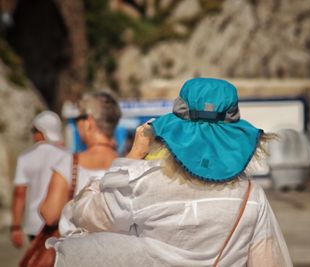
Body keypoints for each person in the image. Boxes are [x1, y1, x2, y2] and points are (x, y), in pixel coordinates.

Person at [51, 78, 292, 267]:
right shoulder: (252, 196)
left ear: (178, 130)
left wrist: (133, 157)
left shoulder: (142, 185)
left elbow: (82, 214)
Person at [40, 91, 121, 226]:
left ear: (88, 122)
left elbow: (50, 215)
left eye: (78, 119)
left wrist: (41, 207)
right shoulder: (129, 165)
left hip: (76, 245)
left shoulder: (69, 164)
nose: (77, 124)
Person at [10, 111, 67, 248]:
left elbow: (19, 194)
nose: (33, 134)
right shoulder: (67, 156)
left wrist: (16, 227)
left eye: (34, 130)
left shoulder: (25, 157)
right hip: (60, 223)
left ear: (42, 131)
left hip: (34, 225)